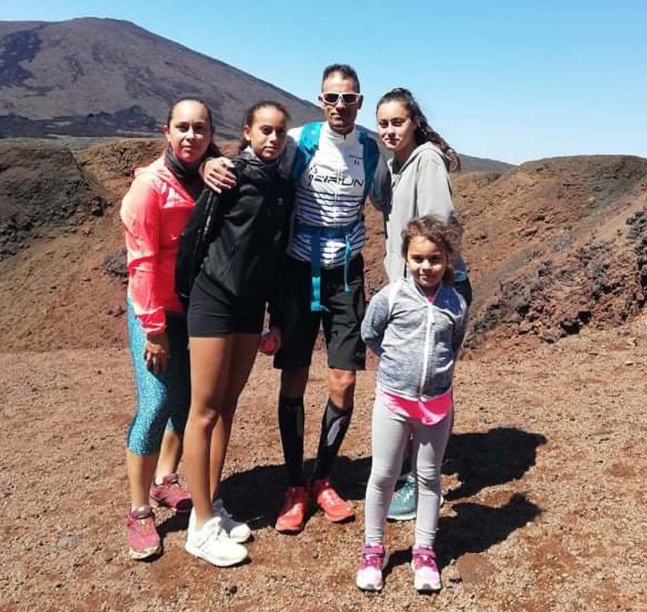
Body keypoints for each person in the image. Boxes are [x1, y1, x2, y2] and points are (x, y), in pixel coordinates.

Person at [202, 64, 385, 534]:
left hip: (346, 275)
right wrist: (210, 162)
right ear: (321, 101)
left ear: (359, 102)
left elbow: (394, 197)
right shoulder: (300, 141)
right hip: (298, 274)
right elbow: (255, 164)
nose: (340, 106)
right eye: (331, 97)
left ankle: (322, 478)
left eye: (348, 98)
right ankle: (294, 485)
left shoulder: (370, 149)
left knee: (343, 382)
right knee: (294, 382)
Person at [177, 102, 295, 566]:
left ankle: (212, 504)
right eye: (264, 130)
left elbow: (278, 255)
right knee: (203, 410)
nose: (272, 139)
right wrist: (191, 298)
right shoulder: (228, 175)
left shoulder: (283, 186)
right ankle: (199, 524)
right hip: (214, 297)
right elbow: (194, 238)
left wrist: (276, 315)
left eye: (279, 133)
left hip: (251, 305)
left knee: (227, 406)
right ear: (247, 131)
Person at [120, 97, 219, 560]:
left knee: (186, 402)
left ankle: (165, 480)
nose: (190, 137)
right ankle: (139, 510)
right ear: (166, 131)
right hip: (154, 309)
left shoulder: (211, 175)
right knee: (156, 401)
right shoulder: (148, 187)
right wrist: (154, 330)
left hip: (193, 308)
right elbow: (139, 263)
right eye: (182, 128)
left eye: (200, 128)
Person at [356, 216, 468, 593]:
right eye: (417, 258)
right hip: (393, 400)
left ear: (447, 259)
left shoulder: (456, 303)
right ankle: (373, 548)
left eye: (435, 259)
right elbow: (371, 334)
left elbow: (454, 342)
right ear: (405, 256)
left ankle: (424, 550)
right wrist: (395, 367)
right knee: (383, 475)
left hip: (436, 403)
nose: (426, 267)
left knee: (428, 477)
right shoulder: (390, 297)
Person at [375, 87, 472, 522]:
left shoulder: (426, 160)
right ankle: (412, 473)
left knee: (425, 385)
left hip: (429, 292)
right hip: (413, 292)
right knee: (412, 382)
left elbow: (436, 231)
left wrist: (424, 294)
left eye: (398, 122)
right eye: (383, 123)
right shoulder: (398, 165)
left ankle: (418, 482)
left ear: (414, 121)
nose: (390, 130)